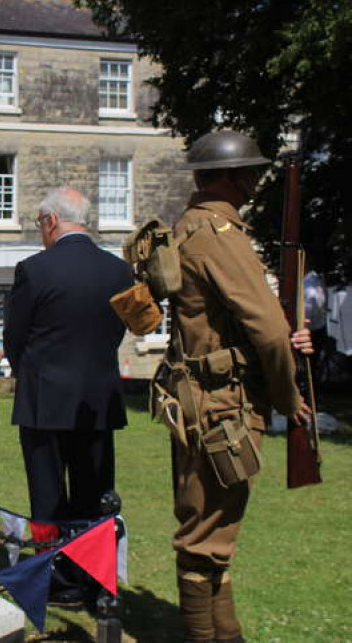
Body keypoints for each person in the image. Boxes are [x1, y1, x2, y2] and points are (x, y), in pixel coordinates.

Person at [165, 130, 314, 643]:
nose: (254, 183)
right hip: (222, 403)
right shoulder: (216, 233)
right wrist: (289, 399)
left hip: (199, 399)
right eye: (248, 173)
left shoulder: (186, 227)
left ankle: (225, 636)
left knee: (210, 528)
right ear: (228, 177)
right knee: (208, 533)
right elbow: (269, 331)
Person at [4, 187, 133, 603]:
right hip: (97, 397)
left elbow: (15, 338)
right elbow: (118, 332)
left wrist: (33, 369)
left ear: (50, 222)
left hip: (44, 397)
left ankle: (56, 580)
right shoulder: (118, 271)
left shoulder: (34, 269)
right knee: (95, 493)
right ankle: (93, 579)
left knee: (47, 497)